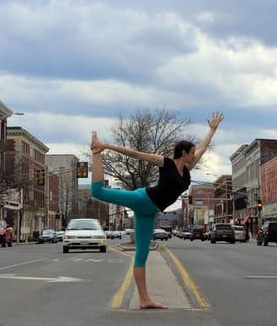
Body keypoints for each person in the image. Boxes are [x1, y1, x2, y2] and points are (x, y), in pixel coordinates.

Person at [90, 111, 223, 309]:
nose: (195, 155)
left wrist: (212, 130)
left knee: (141, 254)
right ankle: (95, 153)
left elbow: (203, 148)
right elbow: (135, 154)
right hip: (142, 199)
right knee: (98, 191)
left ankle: (144, 299)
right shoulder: (165, 163)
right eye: (192, 152)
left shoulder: (187, 169)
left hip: (149, 212)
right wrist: (104, 147)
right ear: (184, 153)